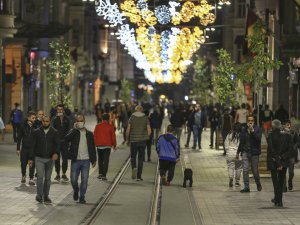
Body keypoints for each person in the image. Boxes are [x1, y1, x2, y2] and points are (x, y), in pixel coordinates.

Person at [65, 114, 97, 204]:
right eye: (78, 121)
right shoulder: (73, 132)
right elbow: (66, 139)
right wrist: (74, 129)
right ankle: (76, 190)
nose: (80, 122)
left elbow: (92, 147)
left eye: (81, 120)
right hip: (76, 160)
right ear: (76, 122)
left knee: (85, 180)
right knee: (73, 179)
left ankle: (82, 197)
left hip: (86, 160)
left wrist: (93, 160)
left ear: (84, 121)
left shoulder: (89, 134)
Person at [29, 116, 60, 203]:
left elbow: (58, 144)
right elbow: (32, 146)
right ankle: (39, 195)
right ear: (42, 122)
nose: (45, 123)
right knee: (39, 177)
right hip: (39, 158)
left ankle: (46, 196)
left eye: (47, 121)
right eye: (44, 121)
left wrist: (56, 153)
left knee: (47, 178)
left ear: (49, 122)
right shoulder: (36, 132)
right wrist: (31, 158)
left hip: (50, 159)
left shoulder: (55, 132)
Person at [267, 119, 293, 207]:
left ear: (273, 126)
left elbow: (271, 150)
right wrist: (282, 159)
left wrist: (278, 162)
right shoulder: (287, 136)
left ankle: (278, 200)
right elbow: (290, 150)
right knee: (281, 182)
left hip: (274, 162)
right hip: (283, 162)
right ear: (280, 125)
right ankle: (279, 201)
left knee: (276, 183)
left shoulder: (270, 136)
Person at [238, 115, 262, 193]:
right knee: (245, 170)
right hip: (245, 151)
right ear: (247, 121)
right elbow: (241, 141)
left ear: (254, 121)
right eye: (249, 120)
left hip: (254, 152)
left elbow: (258, 139)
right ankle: (247, 187)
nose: (250, 122)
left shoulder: (258, 129)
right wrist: (238, 151)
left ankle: (258, 183)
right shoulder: (244, 129)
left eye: (251, 120)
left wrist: (252, 131)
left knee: (255, 171)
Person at [126, 105, 151, 181]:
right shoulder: (145, 118)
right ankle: (139, 176)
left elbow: (128, 130)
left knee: (133, 157)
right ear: (142, 110)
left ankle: (134, 167)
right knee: (140, 159)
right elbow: (149, 131)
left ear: (136, 110)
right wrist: (145, 136)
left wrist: (127, 139)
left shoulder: (132, 117)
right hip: (142, 141)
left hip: (133, 141)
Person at [94, 113, 116, 180]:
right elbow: (113, 137)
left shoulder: (97, 126)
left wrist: (96, 143)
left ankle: (100, 173)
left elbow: (94, 136)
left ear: (102, 119)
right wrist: (114, 145)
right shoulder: (110, 126)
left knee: (100, 160)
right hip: (107, 146)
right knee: (106, 160)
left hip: (99, 146)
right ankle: (104, 175)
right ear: (108, 119)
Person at [17, 111, 37, 185]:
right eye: (33, 118)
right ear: (28, 118)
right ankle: (23, 175)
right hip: (25, 148)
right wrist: (18, 149)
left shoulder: (36, 126)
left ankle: (31, 178)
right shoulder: (23, 126)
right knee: (23, 163)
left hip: (33, 149)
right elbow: (19, 138)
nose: (34, 119)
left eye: (35, 118)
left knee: (32, 163)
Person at [52, 104, 71, 182]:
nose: (59, 111)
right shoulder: (54, 119)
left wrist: (69, 141)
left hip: (65, 142)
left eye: (61, 109)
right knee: (57, 158)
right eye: (58, 109)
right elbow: (52, 130)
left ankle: (64, 173)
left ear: (63, 110)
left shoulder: (67, 119)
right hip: (57, 142)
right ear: (57, 110)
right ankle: (57, 174)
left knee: (65, 158)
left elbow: (69, 130)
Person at [282, 120, 298, 191]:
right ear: (284, 125)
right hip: (283, 155)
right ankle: (284, 187)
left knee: (291, 172)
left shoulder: (293, 132)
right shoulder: (281, 133)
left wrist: (294, 146)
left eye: (289, 124)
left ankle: (290, 181)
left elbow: (297, 141)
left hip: (291, 154)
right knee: (283, 171)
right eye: (287, 124)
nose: (289, 126)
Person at [225, 123, 242, 187]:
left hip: (230, 153)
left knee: (230, 167)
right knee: (238, 168)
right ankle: (237, 182)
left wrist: (227, 150)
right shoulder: (241, 135)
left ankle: (231, 178)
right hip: (238, 153)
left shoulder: (229, 134)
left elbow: (226, 143)